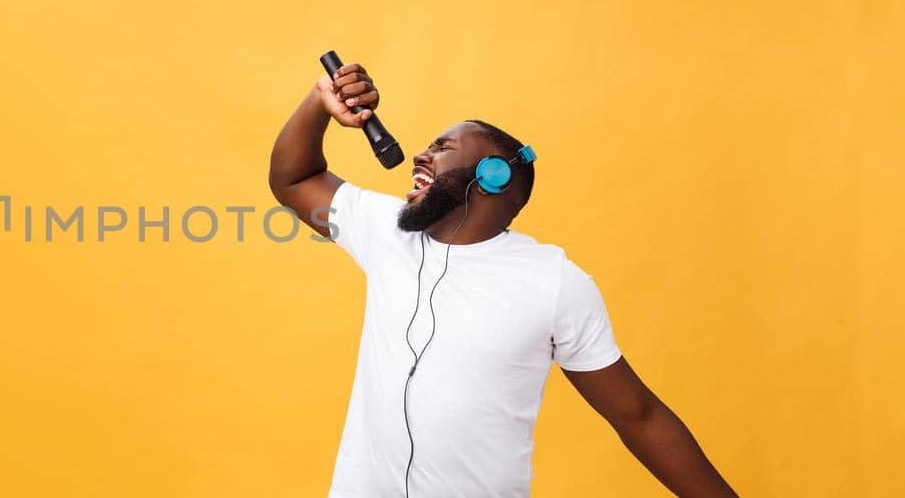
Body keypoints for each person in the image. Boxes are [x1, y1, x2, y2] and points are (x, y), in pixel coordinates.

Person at [267, 62, 736, 497]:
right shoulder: (385, 230)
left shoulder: (554, 281)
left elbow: (641, 417)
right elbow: (294, 178)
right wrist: (319, 101)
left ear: (492, 176)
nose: (419, 155)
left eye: (443, 148)